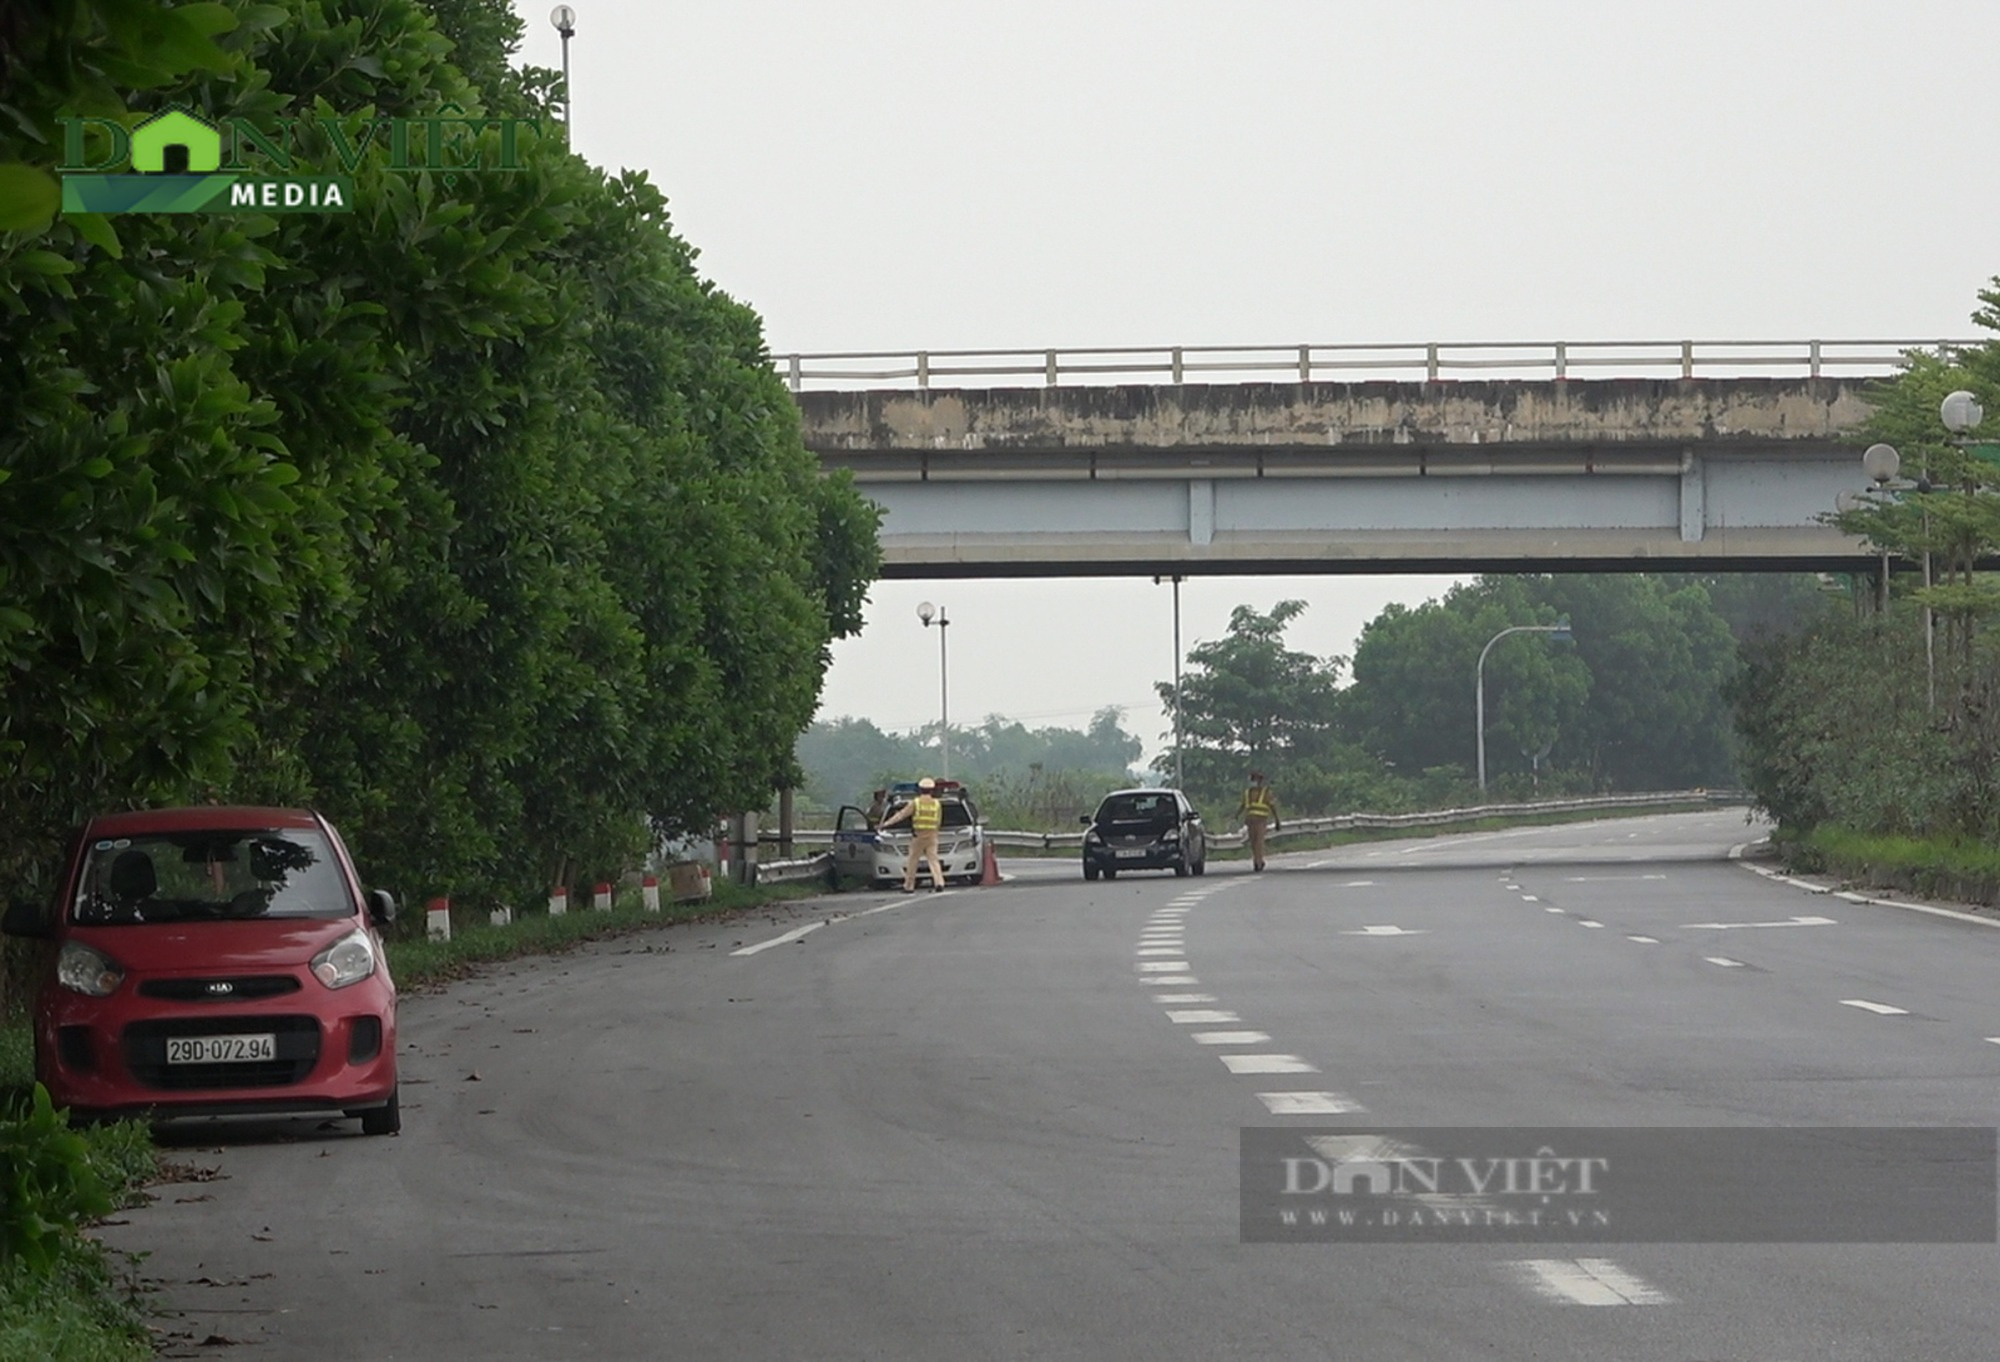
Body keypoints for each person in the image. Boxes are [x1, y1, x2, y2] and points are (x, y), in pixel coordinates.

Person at [878, 777, 946, 892]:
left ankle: (909, 886)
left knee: (913, 860)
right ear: (932, 790)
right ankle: (939, 883)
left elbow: (901, 815)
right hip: (932, 835)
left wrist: (884, 824)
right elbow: (938, 821)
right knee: (934, 860)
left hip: (919, 836)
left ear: (920, 789)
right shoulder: (936, 804)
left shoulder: (916, 803)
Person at [1237, 771, 1280, 872]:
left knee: (1259, 842)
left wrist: (1277, 820)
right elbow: (1243, 806)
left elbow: (1272, 806)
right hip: (1250, 821)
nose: (1252, 782)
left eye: (1254, 780)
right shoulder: (1247, 793)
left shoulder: (1265, 793)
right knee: (1253, 842)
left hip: (1261, 821)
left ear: (1259, 781)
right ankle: (1257, 860)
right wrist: (1236, 816)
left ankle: (1258, 862)